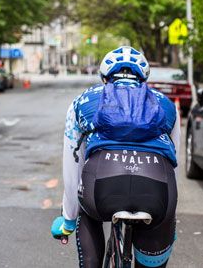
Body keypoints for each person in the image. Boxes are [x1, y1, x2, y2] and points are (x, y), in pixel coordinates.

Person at [50, 46, 181, 268]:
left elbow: (73, 163)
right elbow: (173, 161)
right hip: (156, 191)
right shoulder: (166, 104)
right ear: (144, 77)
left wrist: (68, 218)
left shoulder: (83, 101)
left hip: (101, 187)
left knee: (87, 210)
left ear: (104, 77)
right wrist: (168, 220)